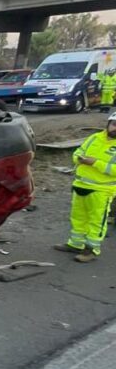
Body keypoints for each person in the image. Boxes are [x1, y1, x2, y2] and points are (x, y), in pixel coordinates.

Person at [54, 111, 116, 262]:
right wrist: (79, 159)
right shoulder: (94, 138)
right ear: (108, 124)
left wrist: (94, 163)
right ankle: (75, 244)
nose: (115, 128)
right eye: (114, 124)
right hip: (80, 185)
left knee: (96, 222)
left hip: (102, 190)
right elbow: (77, 153)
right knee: (78, 218)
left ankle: (91, 250)